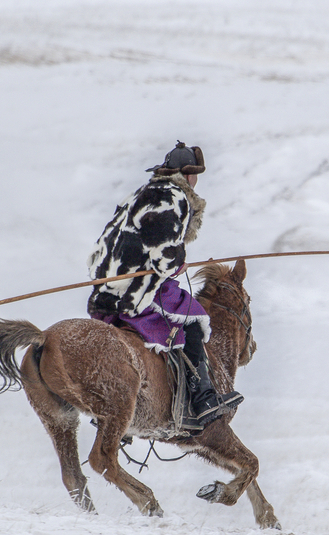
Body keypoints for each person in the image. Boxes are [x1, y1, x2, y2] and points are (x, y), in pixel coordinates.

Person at [86, 141, 243, 426]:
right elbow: (163, 252)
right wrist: (176, 264)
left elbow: (101, 248)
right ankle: (203, 398)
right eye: (195, 175)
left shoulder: (138, 195)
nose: (196, 181)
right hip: (137, 291)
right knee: (194, 319)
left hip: (106, 290)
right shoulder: (173, 197)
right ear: (187, 174)